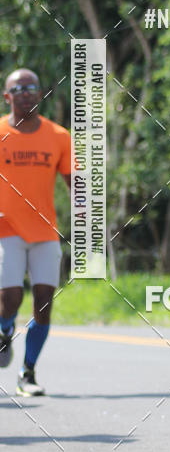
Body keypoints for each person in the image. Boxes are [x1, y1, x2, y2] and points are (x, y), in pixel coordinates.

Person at [0, 68, 71, 396]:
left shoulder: (58, 136)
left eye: (31, 87)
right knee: (10, 297)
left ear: (40, 94)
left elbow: (74, 182)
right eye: (18, 88)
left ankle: (27, 373)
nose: (26, 93)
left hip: (45, 231)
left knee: (44, 302)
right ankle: (4, 330)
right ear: (7, 96)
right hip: (6, 228)